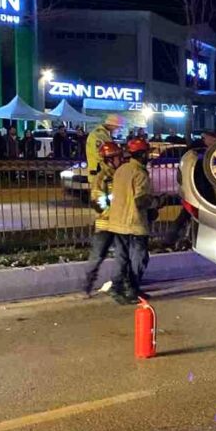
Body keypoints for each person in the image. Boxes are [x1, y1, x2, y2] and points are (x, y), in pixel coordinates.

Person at [104, 138, 162, 304]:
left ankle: (117, 288)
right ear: (142, 154)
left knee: (122, 258)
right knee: (139, 259)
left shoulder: (122, 169)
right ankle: (132, 289)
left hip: (117, 221)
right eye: (147, 153)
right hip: (134, 224)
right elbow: (140, 200)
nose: (149, 157)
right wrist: (157, 202)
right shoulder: (140, 173)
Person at [83, 141, 127, 297]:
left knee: (123, 257)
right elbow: (99, 203)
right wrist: (115, 210)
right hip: (105, 225)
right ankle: (87, 285)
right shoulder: (101, 178)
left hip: (120, 223)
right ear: (109, 159)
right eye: (117, 157)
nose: (120, 160)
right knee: (97, 257)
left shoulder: (121, 175)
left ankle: (119, 286)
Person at [85, 114, 125, 193]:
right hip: (99, 175)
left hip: (104, 174)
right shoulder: (98, 135)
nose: (120, 130)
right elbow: (102, 155)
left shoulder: (104, 135)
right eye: (119, 128)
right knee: (102, 201)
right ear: (112, 125)